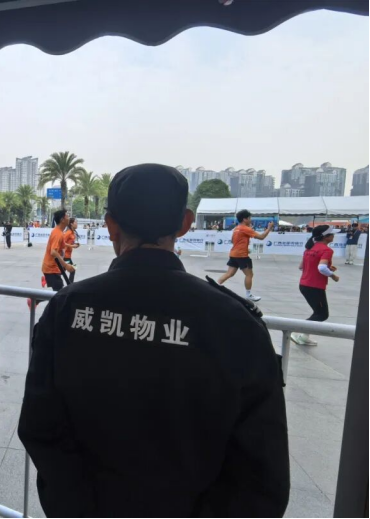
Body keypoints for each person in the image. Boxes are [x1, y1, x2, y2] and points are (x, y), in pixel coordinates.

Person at [18, 164, 289, 518]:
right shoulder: (236, 324)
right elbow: (262, 475)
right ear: (185, 223)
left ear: (110, 225)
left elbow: (40, 426)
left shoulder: (66, 309)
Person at [292, 225, 341, 346]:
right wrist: (333, 276)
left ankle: (304, 336)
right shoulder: (326, 250)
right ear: (326, 237)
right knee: (322, 314)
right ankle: (297, 332)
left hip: (304, 285)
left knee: (318, 313)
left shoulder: (310, 247)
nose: (334, 235)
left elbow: (301, 267)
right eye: (332, 234)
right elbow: (322, 268)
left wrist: (328, 267)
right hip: (315, 287)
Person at [217, 209, 274, 302]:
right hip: (242, 256)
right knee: (249, 274)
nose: (250, 220)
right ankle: (248, 295)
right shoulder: (246, 229)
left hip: (234, 254)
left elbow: (233, 241)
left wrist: (244, 246)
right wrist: (269, 228)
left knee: (229, 273)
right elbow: (261, 237)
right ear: (245, 219)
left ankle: (215, 286)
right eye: (249, 218)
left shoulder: (236, 228)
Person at [41, 209, 75, 292]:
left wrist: (72, 246)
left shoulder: (59, 232)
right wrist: (66, 265)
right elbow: (53, 252)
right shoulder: (58, 234)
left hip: (54, 268)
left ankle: (36, 297)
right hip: (51, 269)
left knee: (58, 292)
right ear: (62, 220)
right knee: (59, 293)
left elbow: (62, 245)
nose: (69, 218)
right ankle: (34, 298)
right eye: (67, 216)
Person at [63, 216, 80, 284]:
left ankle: (46, 279)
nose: (77, 224)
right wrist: (72, 246)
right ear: (71, 224)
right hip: (65, 256)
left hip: (68, 256)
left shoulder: (73, 232)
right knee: (73, 269)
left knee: (61, 271)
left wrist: (75, 245)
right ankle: (70, 285)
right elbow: (62, 243)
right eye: (75, 222)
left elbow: (70, 243)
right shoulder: (68, 232)